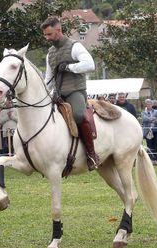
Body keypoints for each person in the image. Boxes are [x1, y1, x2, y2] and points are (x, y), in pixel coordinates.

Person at [41, 16, 98, 170]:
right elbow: (48, 79)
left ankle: (91, 154)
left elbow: (90, 64)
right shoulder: (50, 54)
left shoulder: (75, 46)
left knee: (78, 115)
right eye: (45, 35)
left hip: (75, 91)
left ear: (58, 30)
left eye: (49, 34)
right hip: (58, 94)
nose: (47, 38)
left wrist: (69, 67)